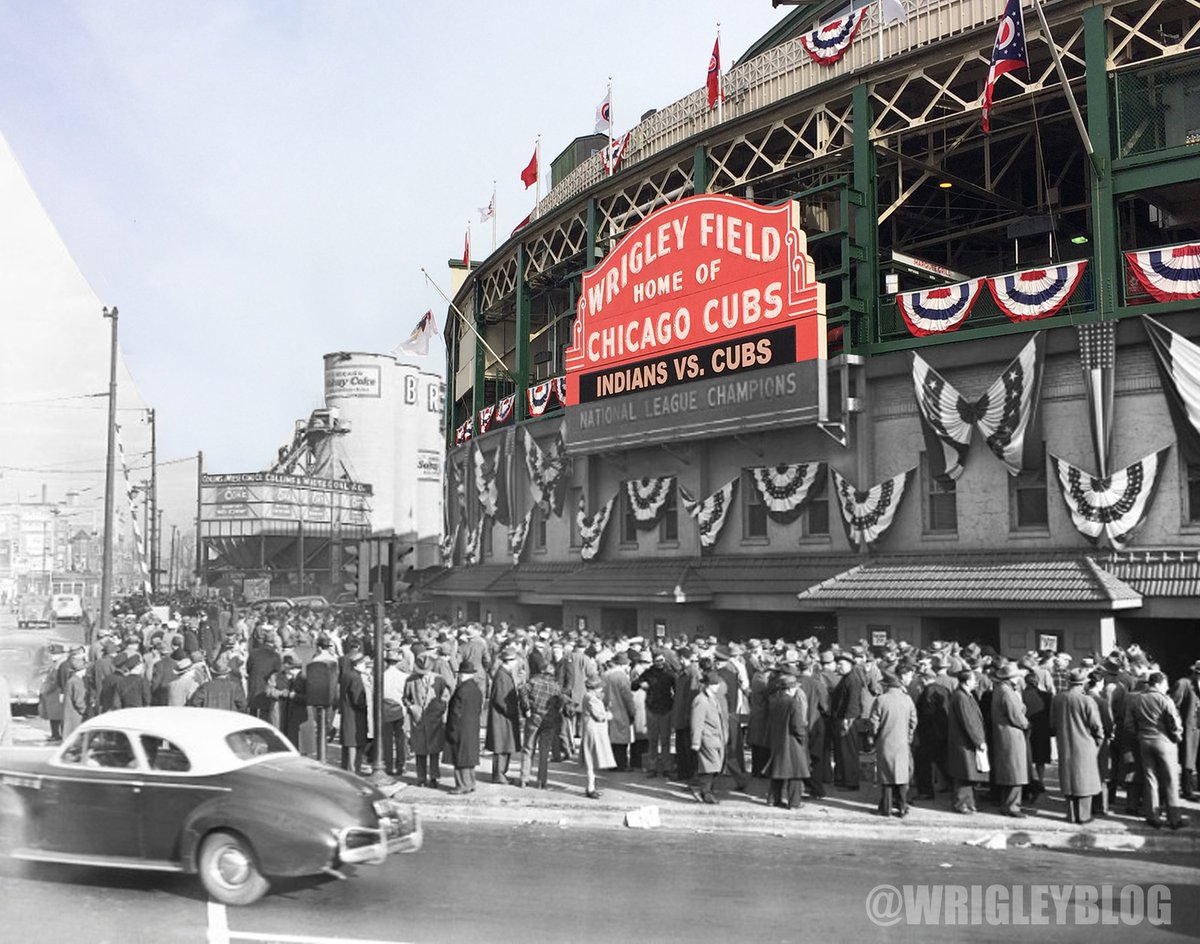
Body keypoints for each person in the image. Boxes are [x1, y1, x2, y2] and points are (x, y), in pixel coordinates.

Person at [1126, 671, 1189, 829]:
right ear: (1159, 683)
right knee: (1170, 780)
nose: (1167, 687)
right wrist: (1177, 737)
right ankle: (1174, 819)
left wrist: (1140, 736)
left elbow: (1129, 724)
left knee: (1150, 779)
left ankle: (1153, 817)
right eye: (1166, 684)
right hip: (1164, 742)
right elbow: (1173, 722)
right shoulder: (1165, 699)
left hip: (1144, 741)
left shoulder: (1137, 699)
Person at [1050, 667, 1104, 824]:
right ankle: (1083, 816)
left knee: (1069, 779)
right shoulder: (1087, 700)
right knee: (1084, 780)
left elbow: (1052, 724)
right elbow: (1096, 726)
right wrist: (1099, 741)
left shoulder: (1058, 699)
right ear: (1084, 683)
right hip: (1085, 744)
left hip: (1065, 743)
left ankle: (1071, 815)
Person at [869, 667, 918, 818]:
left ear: (886, 685)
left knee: (886, 776)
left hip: (885, 742)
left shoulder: (881, 700)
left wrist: (874, 738)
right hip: (902, 742)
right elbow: (913, 721)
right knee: (902, 776)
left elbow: (874, 723)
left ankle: (886, 808)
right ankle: (902, 807)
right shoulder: (907, 699)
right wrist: (908, 736)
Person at [518, 649, 565, 789]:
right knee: (544, 753)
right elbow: (560, 704)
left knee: (528, 748)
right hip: (549, 721)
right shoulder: (556, 687)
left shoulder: (534, 681)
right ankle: (541, 781)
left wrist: (527, 707)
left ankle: (524, 779)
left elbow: (522, 690)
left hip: (534, 717)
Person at [764, 667, 809, 810]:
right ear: (790, 689)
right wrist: (802, 737)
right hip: (791, 740)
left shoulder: (773, 700)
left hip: (777, 739)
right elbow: (797, 725)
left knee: (778, 770)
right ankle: (794, 802)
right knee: (796, 773)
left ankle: (773, 799)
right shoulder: (793, 703)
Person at [991, 663, 1031, 818]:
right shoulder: (1007, 692)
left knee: (1009, 770)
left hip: (1003, 733)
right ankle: (1012, 806)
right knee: (1016, 771)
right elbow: (1016, 715)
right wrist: (1026, 724)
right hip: (1012, 734)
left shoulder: (1000, 689)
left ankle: (1007, 803)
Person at [406, 651, 450, 789]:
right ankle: (421, 777)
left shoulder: (439, 680)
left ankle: (434, 777)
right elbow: (405, 698)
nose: (423, 674)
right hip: (418, 720)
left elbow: (445, 696)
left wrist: (440, 709)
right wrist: (411, 707)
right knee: (420, 751)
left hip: (434, 720)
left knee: (434, 750)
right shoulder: (411, 680)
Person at [946, 669, 988, 814]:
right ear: (967, 681)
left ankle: (969, 803)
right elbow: (968, 721)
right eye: (973, 679)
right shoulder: (961, 697)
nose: (976, 682)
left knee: (968, 774)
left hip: (966, 741)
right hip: (964, 742)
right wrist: (979, 741)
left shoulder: (965, 695)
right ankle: (961, 804)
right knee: (964, 774)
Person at [444, 659, 484, 795]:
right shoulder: (476, 689)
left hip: (460, 728)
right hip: (472, 727)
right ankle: (471, 783)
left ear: (462, 675)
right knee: (469, 757)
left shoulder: (461, 690)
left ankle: (462, 785)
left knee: (460, 758)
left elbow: (455, 713)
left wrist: (451, 729)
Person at [689, 670, 728, 805]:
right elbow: (697, 722)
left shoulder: (712, 698)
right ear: (707, 685)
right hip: (707, 738)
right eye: (714, 684)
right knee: (710, 767)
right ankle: (705, 792)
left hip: (715, 738)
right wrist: (695, 742)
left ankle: (703, 790)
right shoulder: (701, 700)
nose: (717, 686)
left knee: (714, 766)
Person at [485, 647, 522, 785]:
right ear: (510, 661)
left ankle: (502, 774)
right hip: (502, 718)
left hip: (504, 717)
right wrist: (512, 712)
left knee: (506, 746)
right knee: (501, 747)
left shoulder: (504, 673)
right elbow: (500, 699)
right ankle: (499, 775)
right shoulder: (502, 675)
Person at [579, 675, 615, 798]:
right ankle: (590, 788)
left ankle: (591, 786)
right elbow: (600, 716)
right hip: (594, 731)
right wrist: (608, 714)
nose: (601, 689)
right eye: (599, 687)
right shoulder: (592, 699)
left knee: (591, 760)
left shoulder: (589, 697)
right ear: (594, 688)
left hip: (590, 730)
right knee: (591, 760)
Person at [1171, 661, 1200, 802]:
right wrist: (1178, 725)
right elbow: (1173, 706)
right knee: (1188, 759)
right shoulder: (1183, 683)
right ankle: (1187, 790)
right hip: (1189, 727)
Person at [603, 651, 636, 771]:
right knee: (621, 740)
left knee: (611, 738)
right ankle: (621, 764)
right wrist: (632, 712)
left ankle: (610, 763)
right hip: (621, 710)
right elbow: (628, 697)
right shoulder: (622, 677)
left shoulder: (605, 675)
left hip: (608, 710)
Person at [380, 646, 409, 777]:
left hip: (385, 708)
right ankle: (401, 765)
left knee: (387, 740)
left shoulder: (381, 676)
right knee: (400, 739)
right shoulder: (404, 677)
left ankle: (388, 765)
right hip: (400, 709)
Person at [339, 650, 369, 774]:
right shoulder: (356, 677)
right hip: (356, 714)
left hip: (347, 712)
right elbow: (357, 699)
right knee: (355, 742)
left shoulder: (346, 675)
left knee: (348, 742)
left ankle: (347, 767)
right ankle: (354, 769)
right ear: (358, 664)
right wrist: (367, 706)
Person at [61, 650, 89, 738]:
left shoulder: (71, 679)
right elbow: (79, 701)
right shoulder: (77, 682)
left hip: (69, 715)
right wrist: (85, 711)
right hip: (75, 717)